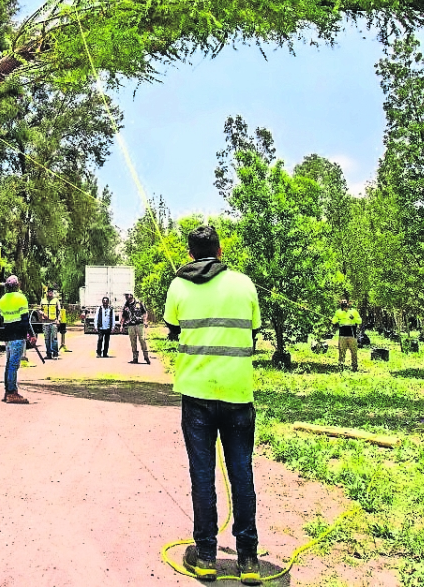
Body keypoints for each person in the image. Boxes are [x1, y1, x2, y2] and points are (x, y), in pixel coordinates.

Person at [165, 225, 262, 585]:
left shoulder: (178, 285)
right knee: (242, 474)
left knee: (202, 475)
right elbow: (252, 332)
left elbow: (173, 328)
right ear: (220, 250)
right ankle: (248, 559)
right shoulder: (244, 283)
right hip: (237, 395)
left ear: (190, 253)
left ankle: (206, 555)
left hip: (197, 396)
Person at [0, 275, 31, 404]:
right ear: (18, 285)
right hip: (18, 336)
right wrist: (30, 334)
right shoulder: (21, 298)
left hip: (8, 336)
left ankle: (8, 391)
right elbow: (25, 319)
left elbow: (2, 319)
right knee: (13, 365)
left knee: (9, 364)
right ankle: (12, 393)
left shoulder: (2, 299)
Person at [332, 298, 362, 372]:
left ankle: (354, 366)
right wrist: (336, 320)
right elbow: (334, 321)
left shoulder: (354, 311)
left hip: (352, 334)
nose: (345, 305)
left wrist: (353, 318)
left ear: (348, 304)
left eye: (346, 303)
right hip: (342, 334)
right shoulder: (338, 312)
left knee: (354, 351)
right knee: (341, 351)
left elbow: (360, 321)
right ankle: (341, 365)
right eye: (343, 303)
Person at [122, 292, 151, 364]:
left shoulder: (138, 303)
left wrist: (145, 321)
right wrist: (122, 325)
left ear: (131, 295)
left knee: (142, 340)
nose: (126, 297)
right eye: (125, 296)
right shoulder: (126, 306)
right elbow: (124, 316)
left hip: (139, 324)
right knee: (133, 342)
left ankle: (146, 357)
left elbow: (144, 312)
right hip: (131, 325)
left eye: (127, 295)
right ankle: (135, 358)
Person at [39, 289, 62, 358]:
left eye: (51, 292)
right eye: (48, 292)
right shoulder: (43, 300)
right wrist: (42, 313)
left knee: (54, 338)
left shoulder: (56, 301)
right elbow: (40, 309)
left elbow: (59, 311)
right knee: (47, 339)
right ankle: (48, 353)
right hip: (45, 322)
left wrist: (58, 320)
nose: (50, 294)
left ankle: (55, 353)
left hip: (53, 321)